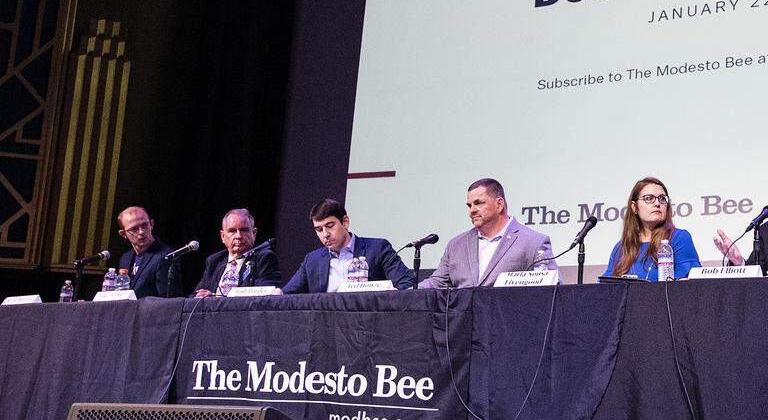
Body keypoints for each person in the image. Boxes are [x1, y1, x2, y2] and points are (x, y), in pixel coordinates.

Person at [419, 178, 556, 288]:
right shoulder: (456, 245)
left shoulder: (533, 242)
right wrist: (402, 293)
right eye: (469, 205)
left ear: (499, 204)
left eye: (478, 203)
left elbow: (553, 288)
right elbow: (435, 283)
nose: (472, 210)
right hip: (463, 321)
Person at [282, 198, 414, 293]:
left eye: (330, 226)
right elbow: (287, 295)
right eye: (318, 229)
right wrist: (277, 293)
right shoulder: (312, 259)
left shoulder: (378, 248)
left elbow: (406, 284)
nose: (325, 234)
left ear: (345, 222)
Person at [602, 177, 701, 280]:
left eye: (662, 198)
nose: (657, 203)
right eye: (649, 198)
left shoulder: (679, 238)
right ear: (634, 207)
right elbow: (606, 287)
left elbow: (690, 283)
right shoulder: (621, 248)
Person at [194, 208, 282, 297]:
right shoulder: (214, 261)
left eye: (244, 230)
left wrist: (215, 297)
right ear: (223, 236)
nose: (238, 236)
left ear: (254, 233)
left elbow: (266, 298)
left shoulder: (264, 258)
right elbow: (194, 297)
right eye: (232, 231)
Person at [116, 206, 180, 297]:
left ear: (152, 224)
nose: (141, 232)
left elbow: (167, 301)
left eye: (144, 225)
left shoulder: (166, 256)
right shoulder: (126, 258)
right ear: (123, 234)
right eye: (134, 229)